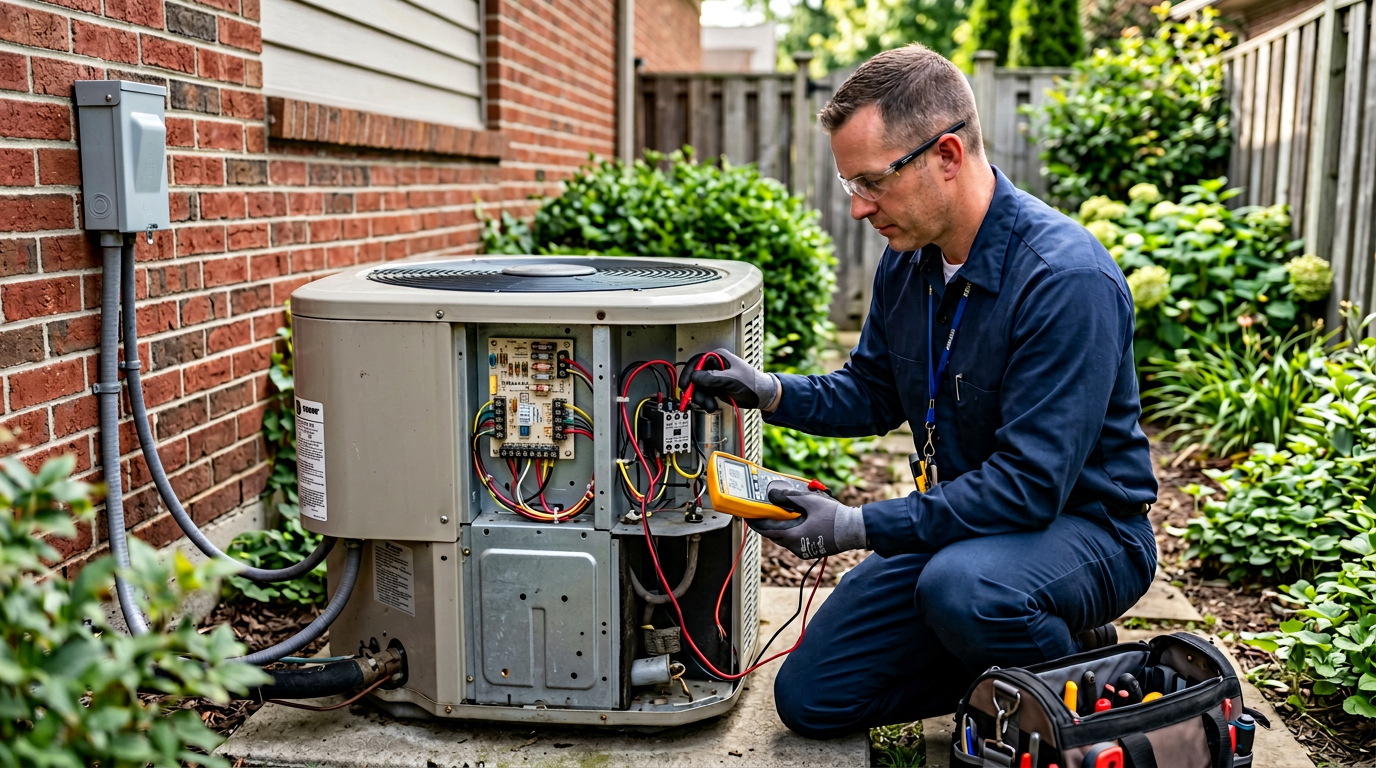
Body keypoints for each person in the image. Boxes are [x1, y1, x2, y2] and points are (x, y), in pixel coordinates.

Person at [679, 43, 1158, 738]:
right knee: (813, 698)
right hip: (963, 534)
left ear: (947, 156)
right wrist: (768, 390)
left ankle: (1079, 700)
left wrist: (852, 526)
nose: (859, 209)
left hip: (1087, 531)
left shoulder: (1065, 281)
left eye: (871, 182)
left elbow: (1028, 487)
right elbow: (872, 392)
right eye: (852, 187)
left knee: (963, 591)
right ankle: (1019, 658)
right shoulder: (910, 264)